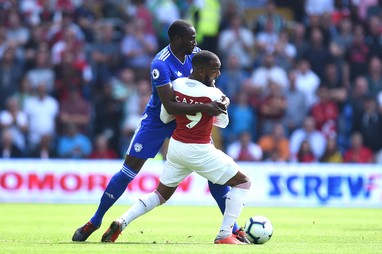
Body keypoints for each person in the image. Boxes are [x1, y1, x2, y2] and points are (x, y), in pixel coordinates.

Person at [72, 20, 237, 242]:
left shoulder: (195, 55)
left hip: (187, 121)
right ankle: (96, 219)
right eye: (191, 38)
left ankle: (233, 229)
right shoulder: (161, 64)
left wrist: (216, 97)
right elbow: (169, 105)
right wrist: (206, 107)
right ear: (177, 40)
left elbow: (209, 79)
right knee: (128, 171)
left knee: (214, 173)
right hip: (158, 120)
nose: (195, 42)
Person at [100, 50, 251, 244]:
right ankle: (225, 234)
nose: (218, 74)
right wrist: (218, 100)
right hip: (200, 149)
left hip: (177, 147)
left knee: (160, 194)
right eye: (215, 70)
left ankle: (122, 221)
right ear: (202, 71)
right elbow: (222, 123)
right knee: (243, 182)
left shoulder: (176, 86)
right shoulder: (214, 94)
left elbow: (165, 116)